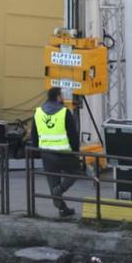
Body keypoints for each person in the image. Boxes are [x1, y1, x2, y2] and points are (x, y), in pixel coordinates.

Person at [31, 87, 81, 218]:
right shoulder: (64, 112)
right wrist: (76, 151)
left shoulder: (38, 113)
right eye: (62, 96)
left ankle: (62, 208)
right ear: (59, 97)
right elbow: (73, 135)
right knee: (76, 171)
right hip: (64, 153)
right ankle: (60, 192)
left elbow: (34, 135)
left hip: (46, 153)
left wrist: (37, 150)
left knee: (53, 180)